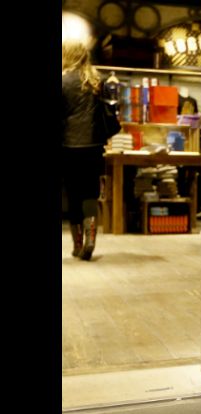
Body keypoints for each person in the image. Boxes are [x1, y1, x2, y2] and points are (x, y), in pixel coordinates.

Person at [61, 41, 114, 260]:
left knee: (74, 195)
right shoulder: (96, 81)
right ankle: (91, 239)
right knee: (91, 193)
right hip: (93, 147)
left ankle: (78, 244)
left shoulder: (63, 82)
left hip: (69, 146)